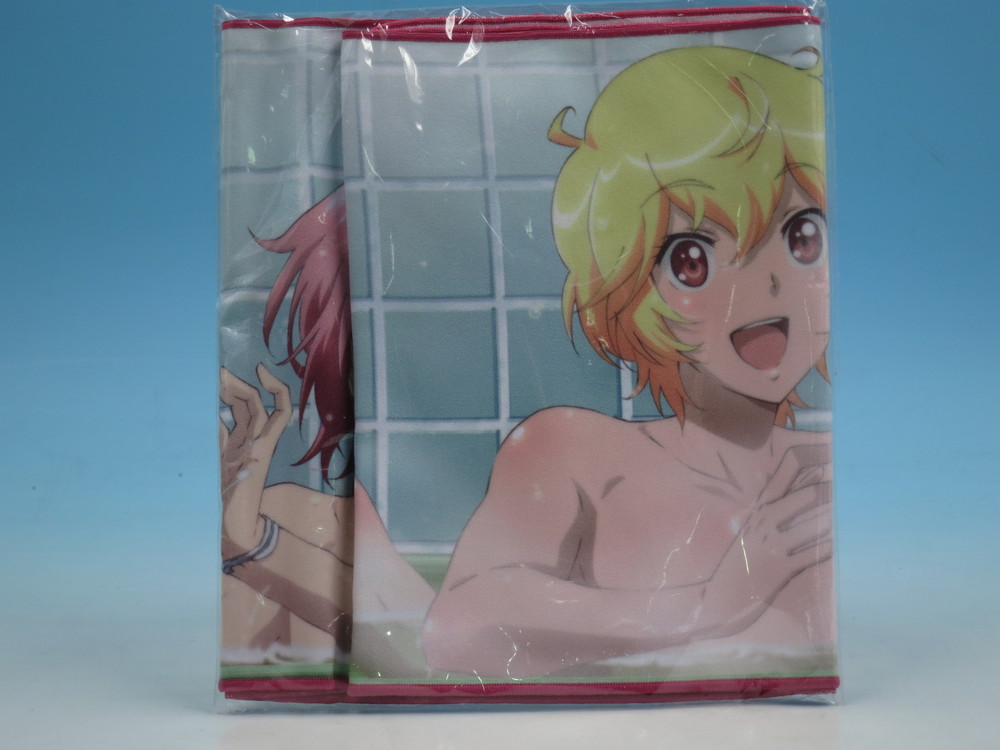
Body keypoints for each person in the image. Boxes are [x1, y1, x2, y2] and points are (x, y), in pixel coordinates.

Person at [221, 45, 833, 680]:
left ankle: (255, 545)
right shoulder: (579, 452)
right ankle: (255, 545)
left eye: (803, 236)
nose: (765, 287)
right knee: (304, 522)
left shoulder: (819, 474)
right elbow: (459, 633)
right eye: (691, 260)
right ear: (625, 286)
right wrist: (710, 603)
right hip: (488, 690)